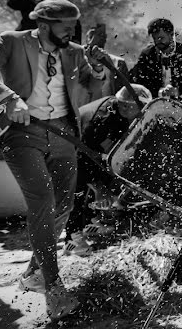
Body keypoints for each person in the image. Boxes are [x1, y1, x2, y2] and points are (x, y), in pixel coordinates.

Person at [0, 0, 110, 320]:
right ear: (43, 24)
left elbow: (92, 86)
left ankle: (32, 273)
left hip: (63, 134)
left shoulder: (73, 51)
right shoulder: (12, 42)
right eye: (65, 26)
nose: (72, 31)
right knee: (42, 200)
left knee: (65, 205)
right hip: (20, 132)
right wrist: (7, 97)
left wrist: (97, 67)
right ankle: (55, 290)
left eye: (73, 25)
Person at [64, 83, 151, 255]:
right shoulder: (100, 120)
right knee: (78, 188)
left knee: (105, 173)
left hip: (88, 150)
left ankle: (90, 222)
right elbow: (82, 158)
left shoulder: (121, 113)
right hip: (70, 150)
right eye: (125, 105)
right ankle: (72, 238)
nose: (127, 108)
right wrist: (100, 188)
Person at [130, 18, 182, 113]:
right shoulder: (147, 55)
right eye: (154, 38)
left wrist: (179, 93)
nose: (157, 41)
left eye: (160, 38)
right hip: (155, 108)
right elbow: (138, 82)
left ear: (171, 34)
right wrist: (159, 92)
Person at [7, 0, 82, 42]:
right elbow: (12, 4)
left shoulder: (65, 9)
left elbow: (75, 30)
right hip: (25, 46)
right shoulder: (30, 3)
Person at [82, 24, 130, 102]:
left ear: (105, 39)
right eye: (92, 36)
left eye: (101, 36)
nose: (97, 39)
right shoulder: (77, 60)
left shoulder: (118, 63)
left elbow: (125, 95)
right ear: (87, 39)